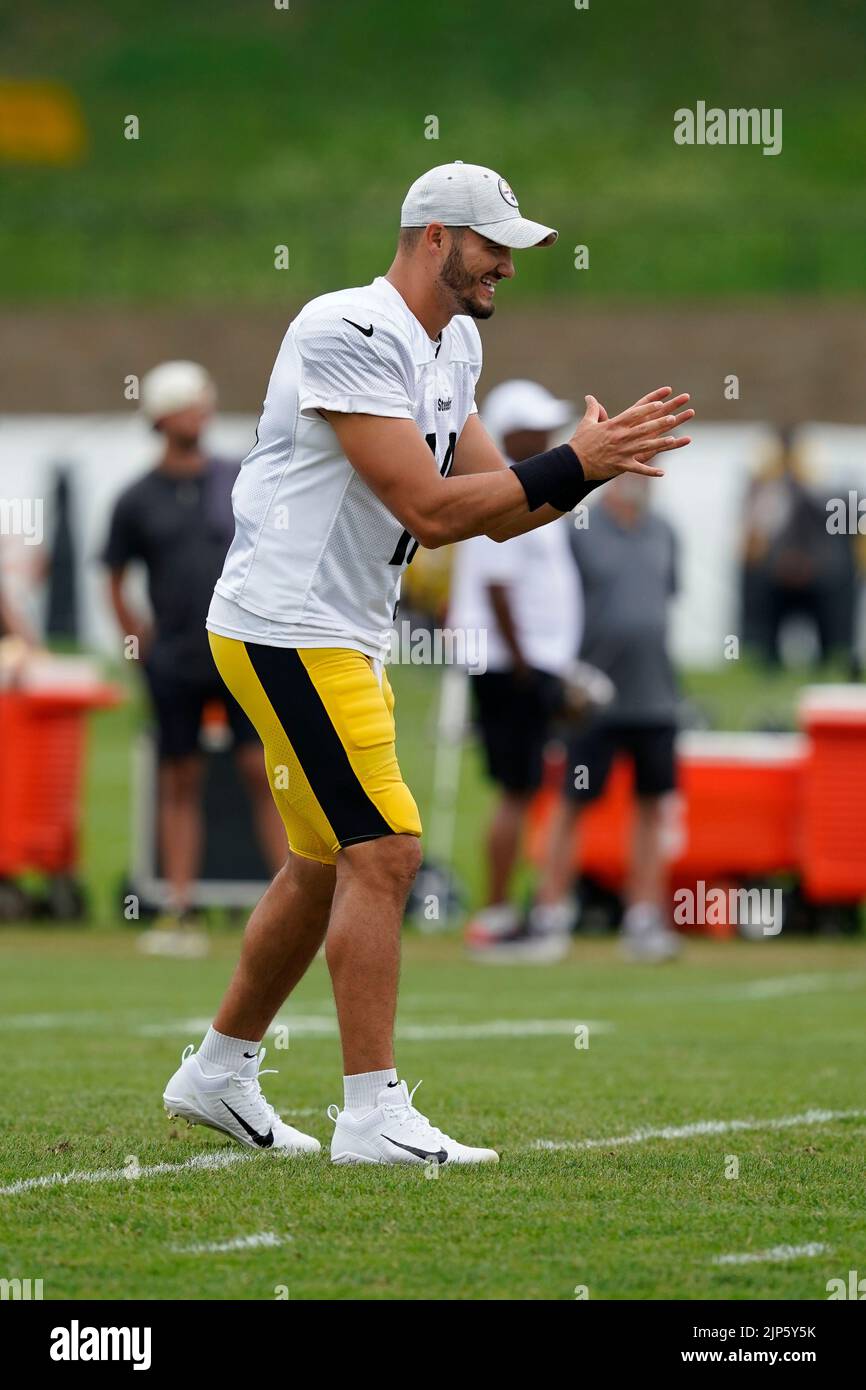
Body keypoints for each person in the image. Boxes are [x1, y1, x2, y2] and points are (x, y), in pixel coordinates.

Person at [162, 161, 693, 1163]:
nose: (506, 264)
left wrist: (591, 462)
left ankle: (219, 1070)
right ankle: (370, 1111)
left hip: (334, 627)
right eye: (493, 243)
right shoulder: (346, 331)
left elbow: (495, 509)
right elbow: (429, 509)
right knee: (388, 848)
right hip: (287, 623)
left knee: (326, 863)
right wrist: (573, 463)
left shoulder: (449, 348)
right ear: (434, 237)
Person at [102, 362, 286, 927]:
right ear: (161, 417)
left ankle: (291, 905)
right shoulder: (136, 498)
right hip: (176, 660)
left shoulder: (234, 478)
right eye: (187, 405)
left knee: (263, 771)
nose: (199, 414)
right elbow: (113, 576)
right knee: (179, 778)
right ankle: (180, 904)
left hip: (240, 649)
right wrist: (138, 643)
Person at [448, 380, 582, 950]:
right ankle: (497, 913)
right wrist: (528, 664)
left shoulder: (523, 488)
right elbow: (496, 582)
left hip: (523, 662)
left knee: (524, 787)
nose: (549, 435)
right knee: (515, 787)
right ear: (511, 432)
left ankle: (506, 910)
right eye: (538, 426)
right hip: (510, 665)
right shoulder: (499, 487)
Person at [528, 473, 683, 963]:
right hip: (593, 694)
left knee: (652, 805)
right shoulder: (581, 527)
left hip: (655, 695)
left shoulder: (664, 530)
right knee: (572, 802)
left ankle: (643, 917)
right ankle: (549, 913)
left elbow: (666, 600)